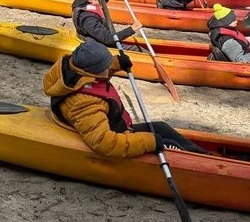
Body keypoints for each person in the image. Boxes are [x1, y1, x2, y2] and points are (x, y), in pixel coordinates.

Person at [43, 39, 205, 157]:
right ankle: (199, 160)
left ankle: (202, 153)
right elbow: (104, 143)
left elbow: (96, 71)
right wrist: (149, 142)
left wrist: (116, 63)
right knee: (167, 143)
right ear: (96, 71)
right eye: (107, 66)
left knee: (161, 127)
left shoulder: (77, 71)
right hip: (116, 134)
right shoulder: (85, 102)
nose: (109, 67)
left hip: (116, 123)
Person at [72, 0, 143, 52]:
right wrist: (132, 29)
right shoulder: (89, 19)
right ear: (91, 0)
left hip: (101, 38)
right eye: (100, 2)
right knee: (137, 49)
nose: (102, 5)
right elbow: (108, 39)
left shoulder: (85, 2)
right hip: (101, 45)